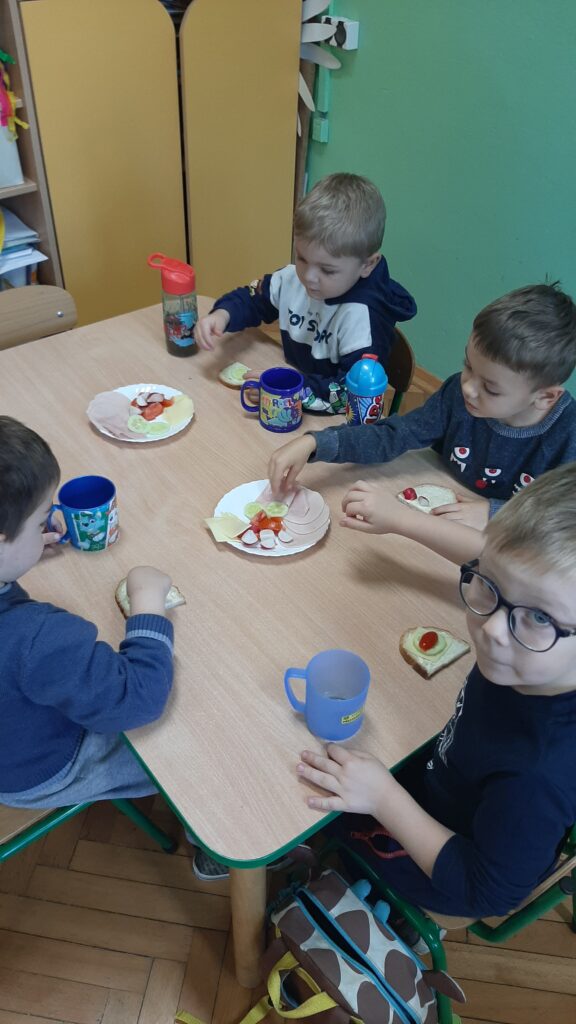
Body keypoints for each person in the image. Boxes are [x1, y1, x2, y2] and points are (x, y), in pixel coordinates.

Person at [296, 462, 576, 920]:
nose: (492, 630)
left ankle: (369, 898)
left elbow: (485, 893)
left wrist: (384, 799)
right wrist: (402, 521)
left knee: (307, 808)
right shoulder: (528, 658)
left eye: (540, 618)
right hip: (445, 779)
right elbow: (488, 553)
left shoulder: (537, 778)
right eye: (490, 584)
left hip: (448, 866)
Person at [268, 283, 576, 531]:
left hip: (503, 544)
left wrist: (495, 513)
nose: (468, 387)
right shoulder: (457, 395)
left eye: (491, 388)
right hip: (436, 511)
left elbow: (564, 519)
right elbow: (395, 435)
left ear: (545, 397)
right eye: (468, 366)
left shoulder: (567, 435)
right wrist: (315, 443)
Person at [0, 416, 175, 808]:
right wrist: (148, 601)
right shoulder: (34, 638)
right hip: (38, 772)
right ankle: (212, 838)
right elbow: (137, 697)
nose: (50, 525)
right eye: (41, 521)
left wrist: (16, 555)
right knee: (188, 747)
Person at [194, 172, 416, 414]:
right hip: (297, 390)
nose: (308, 276)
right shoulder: (292, 279)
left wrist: (289, 390)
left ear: (367, 265)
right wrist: (223, 314)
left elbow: (347, 395)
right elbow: (253, 299)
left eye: (327, 270)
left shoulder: (363, 319)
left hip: (330, 417)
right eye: (301, 258)